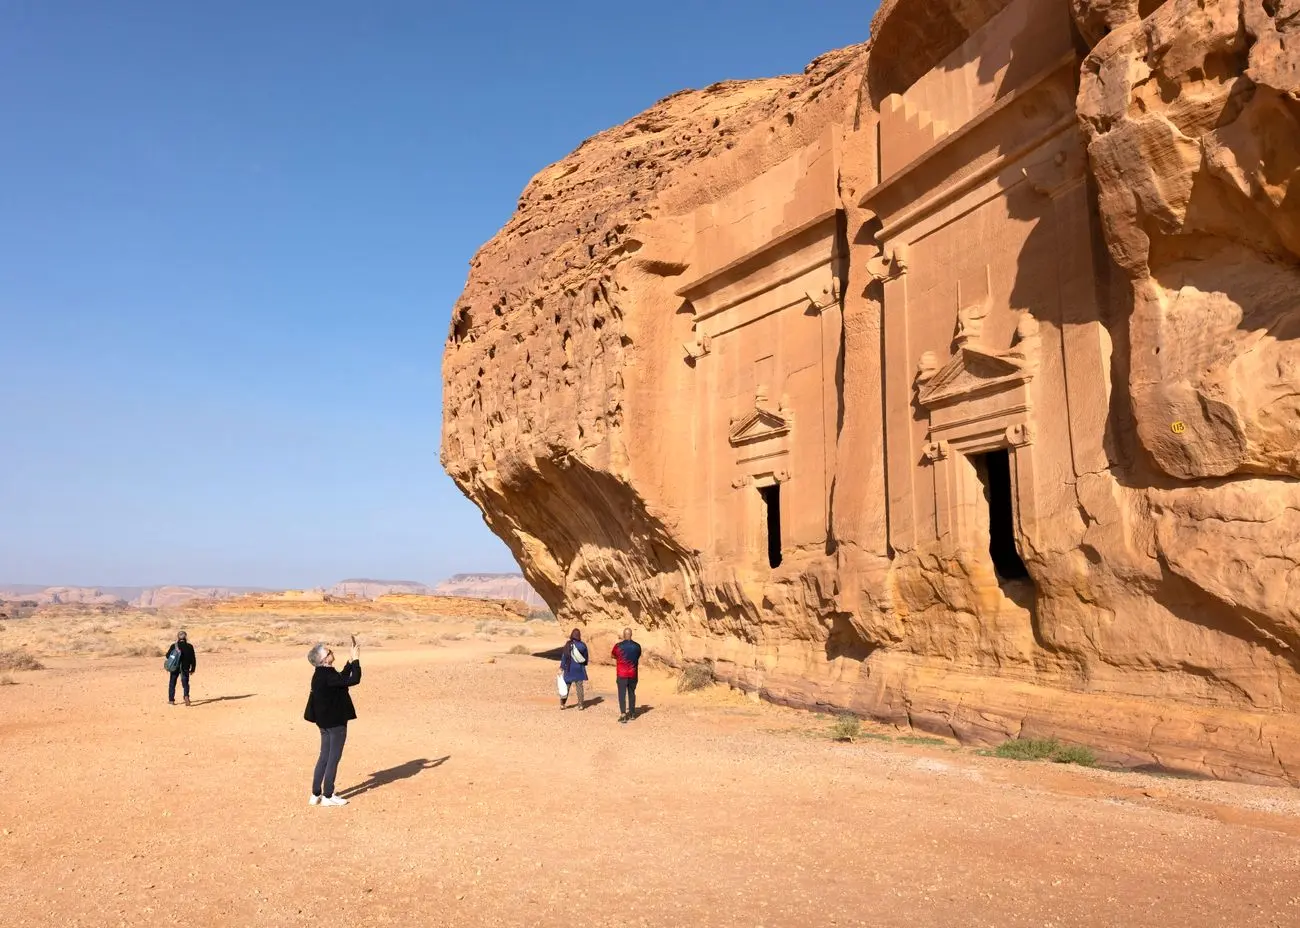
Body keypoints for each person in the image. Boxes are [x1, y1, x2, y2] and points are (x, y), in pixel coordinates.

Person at [306, 641, 362, 806]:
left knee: (324, 756)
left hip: (324, 723)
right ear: (324, 659)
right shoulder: (328, 675)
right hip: (335, 723)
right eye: (329, 651)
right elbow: (354, 680)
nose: (332, 652)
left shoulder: (321, 673)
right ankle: (328, 796)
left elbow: (341, 680)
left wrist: (350, 661)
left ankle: (316, 794)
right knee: (333, 758)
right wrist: (357, 661)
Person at [611, 627, 642, 723]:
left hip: (622, 674)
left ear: (624, 635)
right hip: (633, 674)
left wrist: (620, 658)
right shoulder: (637, 646)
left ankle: (623, 714)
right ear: (631, 635)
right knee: (631, 693)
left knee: (622, 694)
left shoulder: (618, 646)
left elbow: (612, 655)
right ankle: (632, 714)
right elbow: (638, 656)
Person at [559, 628, 589, 710]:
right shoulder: (583, 645)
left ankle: (562, 704)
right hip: (579, 669)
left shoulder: (568, 645)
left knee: (566, 687)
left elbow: (564, 657)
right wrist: (584, 664)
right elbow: (586, 657)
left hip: (569, 669)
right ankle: (580, 705)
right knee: (579, 687)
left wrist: (561, 667)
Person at [165, 630, 197, 706]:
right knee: (185, 683)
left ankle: (171, 700)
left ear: (178, 637)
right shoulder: (189, 646)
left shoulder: (174, 646)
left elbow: (167, 656)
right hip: (185, 667)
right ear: (185, 637)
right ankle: (186, 696)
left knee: (172, 683)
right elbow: (193, 658)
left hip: (175, 667)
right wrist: (193, 669)